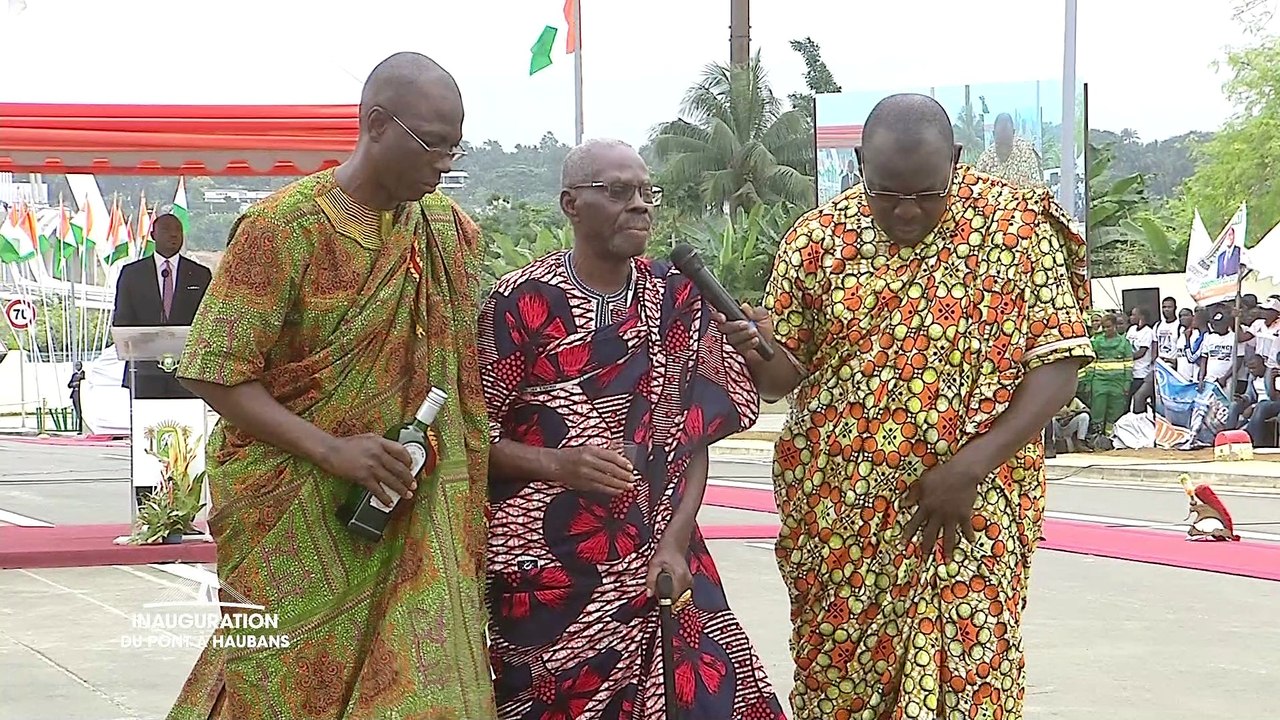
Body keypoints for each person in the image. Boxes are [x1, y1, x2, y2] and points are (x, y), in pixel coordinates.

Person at [718, 94, 1094, 719]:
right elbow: (784, 378)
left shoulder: (1020, 230)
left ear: (956, 159)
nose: (908, 211)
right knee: (843, 690)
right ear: (860, 165)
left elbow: (1058, 367)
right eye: (886, 194)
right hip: (842, 520)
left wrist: (971, 467)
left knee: (972, 687)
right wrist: (757, 348)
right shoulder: (814, 242)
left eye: (928, 193)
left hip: (973, 510)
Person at [168, 52, 495, 720]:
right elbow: (214, 369)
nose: (445, 164)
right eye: (433, 144)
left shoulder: (448, 233)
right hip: (296, 511)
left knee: (421, 692)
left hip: (415, 509)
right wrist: (331, 450)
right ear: (376, 124)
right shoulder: (282, 229)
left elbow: (461, 382)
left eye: (454, 148)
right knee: (285, 691)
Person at [479, 139, 785, 720]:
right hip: (547, 569)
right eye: (619, 192)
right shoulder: (518, 302)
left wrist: (674, 542)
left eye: (648, 192)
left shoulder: (676, 298)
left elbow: (690, 440)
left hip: (660, 556)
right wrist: (558, 465)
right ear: (571, 204)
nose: (640, 205)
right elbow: (473, 442)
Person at [112, 209, 212, 399]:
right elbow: (122, 319)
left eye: (178, 230)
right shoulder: (132, 274)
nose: (173, 234)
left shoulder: (200, 274)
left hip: (187, 371)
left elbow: (207, 320)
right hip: (144, 370)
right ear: (153, 235)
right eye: (166, 229)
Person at [1087, 314, 1132, 438]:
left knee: (1115, 409)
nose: (1106, 330)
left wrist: (1127, 382)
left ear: (1115, 326)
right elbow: (1091, 362)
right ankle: (1096, 437)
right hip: (1099, 380)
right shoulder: (1096, 341)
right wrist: (1089, 380)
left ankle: (1110, 438)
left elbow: (1128, 364)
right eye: (1104, 327)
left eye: (1108, 327)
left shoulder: (1124, 342)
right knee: (1098, 408)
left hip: (1118, 381)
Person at [974, 113, 1044, 188]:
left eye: (1007, 145)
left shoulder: (1027, 154)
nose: (1003, 151)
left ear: (1013, 133)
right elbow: (976, 192)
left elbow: (1038, 190)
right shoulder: (985, 160)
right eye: (999, 145)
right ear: (994, 135)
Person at [1198, 308, 1236, 393]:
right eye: (1214, 324)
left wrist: (1225, 377)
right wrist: (1201, 378)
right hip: (1209, 379)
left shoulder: (1234, 338)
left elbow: (1238, 362)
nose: (1215, 326)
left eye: (1218, 324)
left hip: (1227, 381)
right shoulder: (1209, 338)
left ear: (1226, 324)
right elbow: (1204, 360)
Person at [1126, 306, 1155, 415]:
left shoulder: (1148, 332)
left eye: (1134, 314)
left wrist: (1125, 358)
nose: (1131, 317)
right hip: (1130, 371)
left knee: (1138, 399)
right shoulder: (1131, 329)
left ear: (1141, 316)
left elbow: (1141, 352)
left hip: (1141, 372)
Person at [1175, 307, 1202, 380]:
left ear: (1193, 317)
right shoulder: (1180, 334)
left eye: (1185, 315)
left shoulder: (1197, 334)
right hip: (1181, 377)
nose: (1182, 318)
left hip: (1193, 377)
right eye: (1180, 316)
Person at [1154, 296, 1181, 368]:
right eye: (1164, 307)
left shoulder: (1179, 325)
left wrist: (1176, 362)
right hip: (1160, 365)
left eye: (1169, 307)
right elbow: (1155, 345)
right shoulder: (1158, 325)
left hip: (1173, 365)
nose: (1166, 309)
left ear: (1175, 308)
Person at [67, 361, 84, 433]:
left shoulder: (84, 374)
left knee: (81, 412)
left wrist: (79, 383)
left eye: (78, 365)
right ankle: (79, 428)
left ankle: (81, 428)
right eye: (76, 365)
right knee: (77, 412)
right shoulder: (74, 375)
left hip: (81, 394)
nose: (77, 366)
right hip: (75, 394)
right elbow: (69, 385)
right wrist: (73, 384)